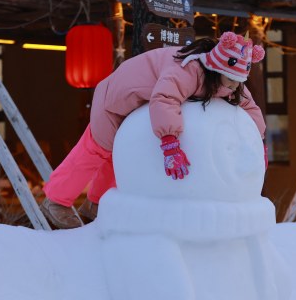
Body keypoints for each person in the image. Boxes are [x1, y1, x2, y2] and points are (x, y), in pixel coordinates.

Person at [40, 31, 267, 229]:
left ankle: (97, 204)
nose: (235, 87)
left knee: (118, 157)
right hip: (117, 99)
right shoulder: (187, 69)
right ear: (216, 67)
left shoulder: (228, 79)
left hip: (136, 110)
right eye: (231, 80)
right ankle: (56, 200)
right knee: (96, 150)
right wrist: (170, 143)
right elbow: (165, 98)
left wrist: (259, 144)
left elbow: (250, 107)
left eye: (239, 81)